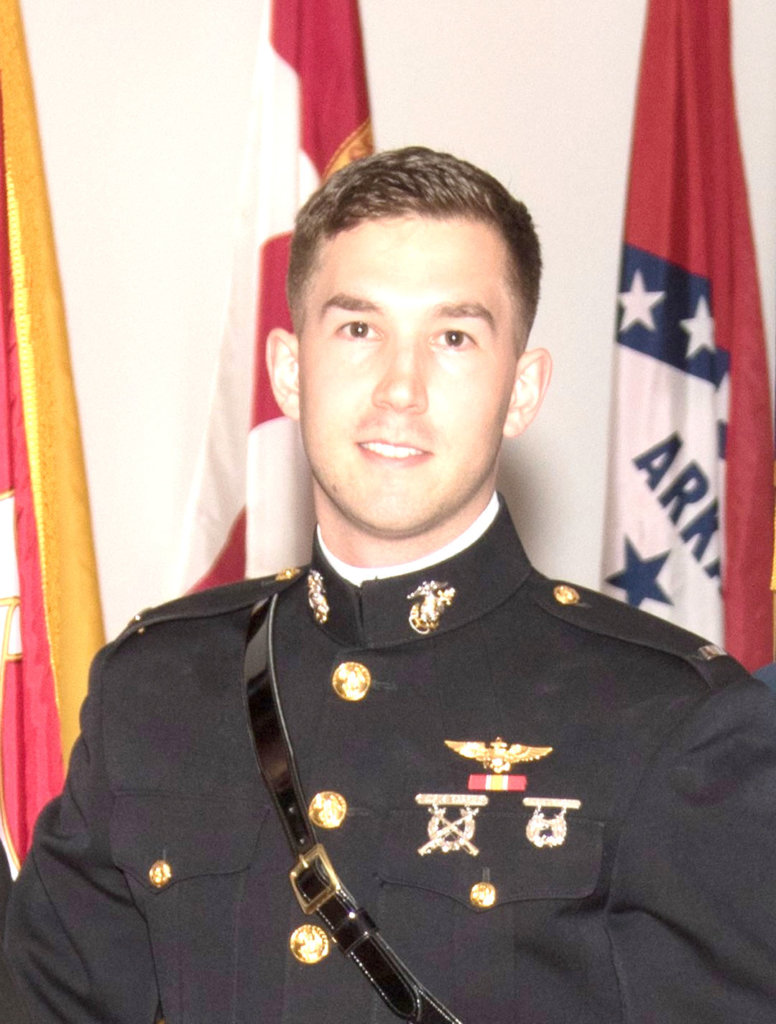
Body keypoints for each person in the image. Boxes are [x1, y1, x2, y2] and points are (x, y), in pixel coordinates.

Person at [5, 146, 776, 1023]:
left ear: (522, 391)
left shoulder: (669, 719)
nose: (399, 390)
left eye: (454, 338)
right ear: (289, 371)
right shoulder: (154, 689)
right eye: (358, 330)